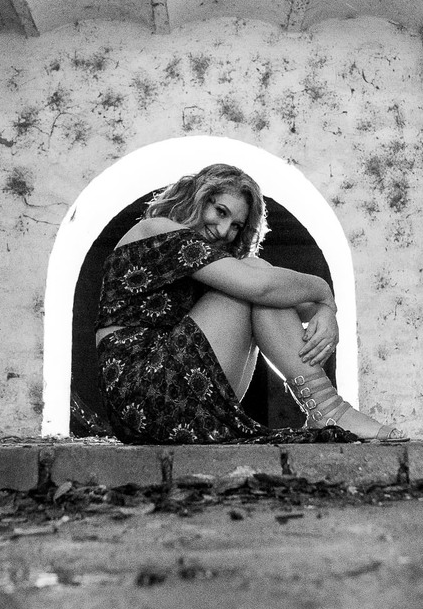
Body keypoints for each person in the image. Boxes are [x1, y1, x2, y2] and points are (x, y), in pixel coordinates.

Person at [94, 163, 407, 445]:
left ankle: (324, 408)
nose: (223, 231)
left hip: (177, 400)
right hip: (145, 393)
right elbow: (261, 286)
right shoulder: (155, 229)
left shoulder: (206, 265)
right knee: (256, 275)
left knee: (261, 280)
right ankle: (329, 409)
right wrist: (324, 291)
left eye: (236, 226)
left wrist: (325, 310)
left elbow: (288, 301)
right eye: (220, 211)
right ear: (198, 197)